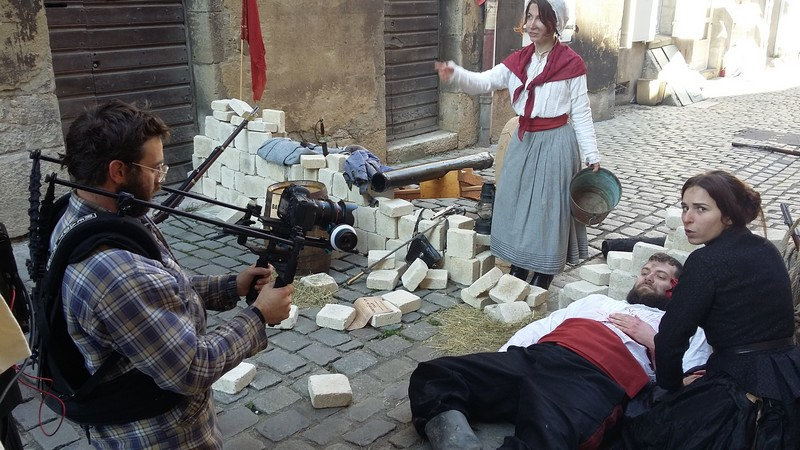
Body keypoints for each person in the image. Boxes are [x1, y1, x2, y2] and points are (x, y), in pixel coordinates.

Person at [50, 100, 293, 448]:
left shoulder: (101, 212)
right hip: (160, 434)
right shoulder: (116, 270)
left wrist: (231, 286)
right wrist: (259, 315)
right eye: (155, 168)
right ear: (118, 170)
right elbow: (192, 367)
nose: (161, 181)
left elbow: (160, 291)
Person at [408, 253, 711, 450]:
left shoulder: (686, 330)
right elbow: (543, 326)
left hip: (594, 378)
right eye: (645, 271)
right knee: (437, 374)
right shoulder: (600, 302)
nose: (648, 276)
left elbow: (678, 388)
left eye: (660, 275)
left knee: (551, 440)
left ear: (676, 287)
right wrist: (501, 363)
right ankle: (457, 444)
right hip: (541, 356)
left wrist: (653, 340)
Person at [619, 171, 800, 449]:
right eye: (684, 207)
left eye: (700, 209)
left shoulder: (705, 262)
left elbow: (670, 339)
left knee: (642, 431)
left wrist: (668, 390)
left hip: (740, 383)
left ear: (728, 215)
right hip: (788, 372)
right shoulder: (766, 248)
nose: (687, 218)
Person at [434, 0, 600, 290]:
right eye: (529, 16)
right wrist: (456, 73)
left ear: (556, 23)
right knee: (515, 201)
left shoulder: (572, 64)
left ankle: (544, 271)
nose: (532, 24)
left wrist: (591, 153)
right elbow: (484, 81)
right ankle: (520, 265)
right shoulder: (520, 61)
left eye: (541, 18)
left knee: (547, 208)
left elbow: (581, 112)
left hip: (556, 143)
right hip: (524, 141)